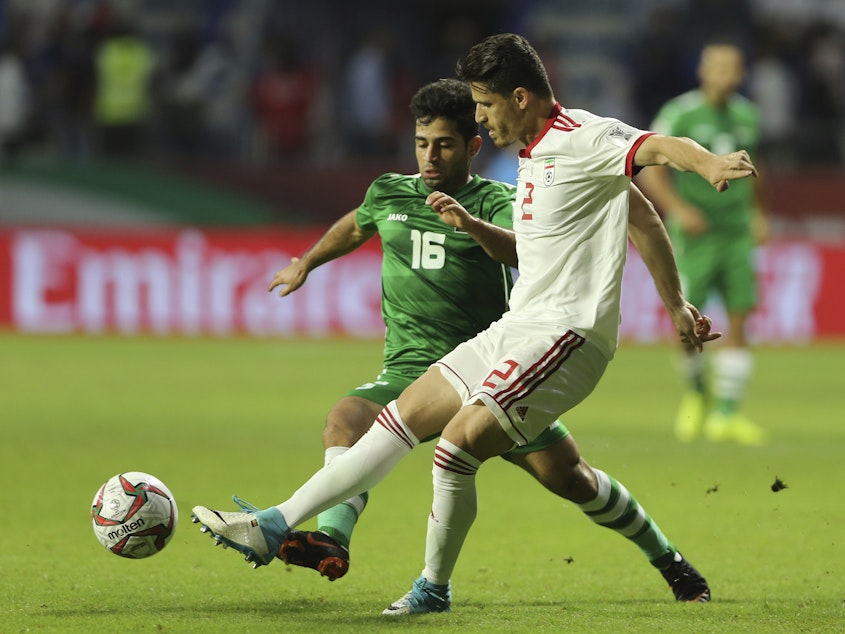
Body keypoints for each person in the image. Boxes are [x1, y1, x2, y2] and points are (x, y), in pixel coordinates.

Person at [191, 33, 756, 614]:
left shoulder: (583, 138)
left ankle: (432, 589)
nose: (480, 117)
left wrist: (708, 162)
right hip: (517, 328)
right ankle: (273, 524)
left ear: (518, 96)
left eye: (483, 105)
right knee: (397, 421)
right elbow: (641, 217)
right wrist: (677, 305)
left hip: (567, 334)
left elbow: (661, 148)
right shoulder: (532, 157)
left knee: (456, 447)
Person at [636, 41, 768, 445]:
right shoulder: (681, 113)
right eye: (718, 66)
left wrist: (759, 212)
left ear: (741, 73)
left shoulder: (749, 116)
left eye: (733, 67)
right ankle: (697, 399)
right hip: (695, 236)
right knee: (688, 322)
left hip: (736, 233)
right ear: (703, 71)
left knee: (741, 314)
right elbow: (649, 170)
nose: (726, 74)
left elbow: (756, 171)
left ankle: (727, 413)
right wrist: (677, 209)